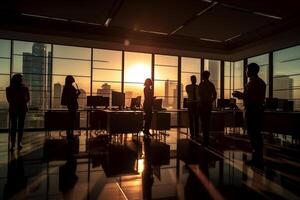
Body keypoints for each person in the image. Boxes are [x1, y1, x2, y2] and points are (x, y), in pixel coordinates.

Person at [232, 63, 266, 166]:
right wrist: (242, 95)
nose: (246, 72)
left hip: (252, 111)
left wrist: (240, 95)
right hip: (256, 110)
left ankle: (256, 159)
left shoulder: (253, 83)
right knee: (256, 135)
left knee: (253, 135)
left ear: (251, 71)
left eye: (247, 70)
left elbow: (250, 98)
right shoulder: (260, 82)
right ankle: (258, 158)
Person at [6, 73, 30, 151]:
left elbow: (10, 100)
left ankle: (15, 143)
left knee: (16, 127)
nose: (21, 80)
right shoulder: (23, 88)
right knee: (18, 127)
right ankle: (16, 143)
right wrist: (22, 101)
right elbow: (27, 99)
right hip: (19, 109)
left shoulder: (9, 89)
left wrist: (20, 101)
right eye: (20, 78)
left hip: (17, 109)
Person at [198, 71, 217, 146]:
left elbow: (199, 95)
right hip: (208, 105)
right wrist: (210, 101)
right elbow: (215, 95)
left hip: (203, 104)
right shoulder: (211, 84)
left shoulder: (201, 84)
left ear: (203, 76)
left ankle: (205, 139)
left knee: (203, 122)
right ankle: (206, 138)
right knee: (207, 121)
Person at [61, 75, 80, 140]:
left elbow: (72, 97)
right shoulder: (69, 87)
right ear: (70, 79)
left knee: (71, 119)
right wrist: (78, 93)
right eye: (72, 78)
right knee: (72, 119)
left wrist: (77, 94)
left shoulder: (68, 87)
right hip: (72, 105)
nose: (73, 78)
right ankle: (70, 132)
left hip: (71, 104)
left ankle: (69, 132)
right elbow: (73, 97)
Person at [185, 75, 200, 139]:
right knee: (191, 119)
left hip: (196, 103)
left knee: (196, 119)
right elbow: (189, 92)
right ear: (191, 80)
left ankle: (196, 133)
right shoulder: (188, 86)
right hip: (191, 103)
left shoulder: (198, 87)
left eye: (195, 79)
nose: (195, 80)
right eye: (193, 79)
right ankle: (192, 133)